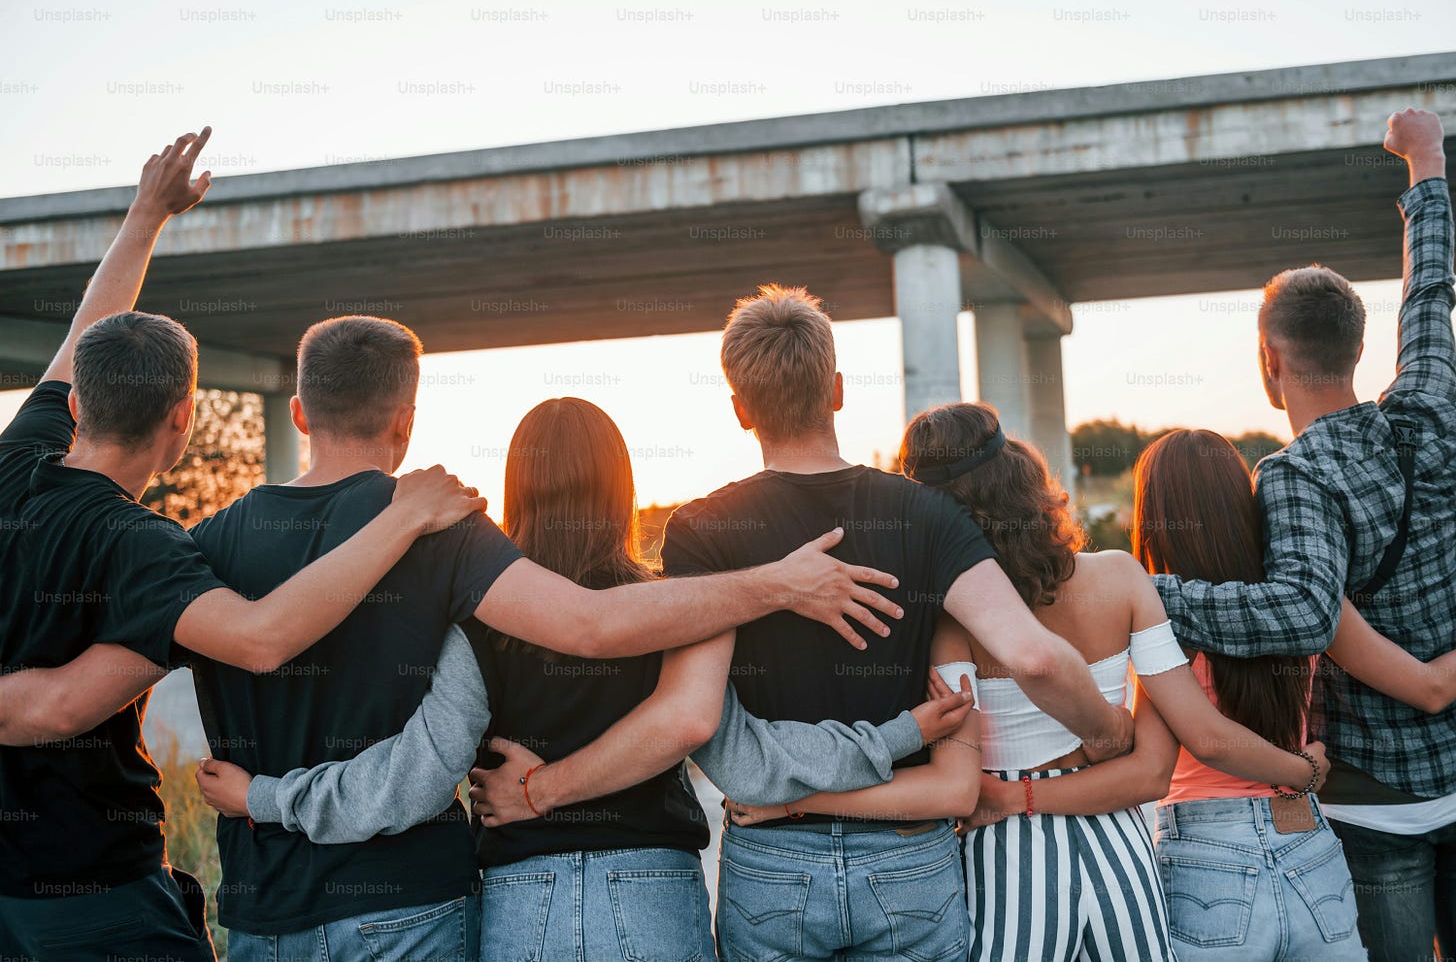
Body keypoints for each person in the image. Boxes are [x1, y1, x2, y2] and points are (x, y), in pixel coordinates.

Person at [9, 304, 902, 961]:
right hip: (418, 906)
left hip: (264, 911)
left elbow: (64, 698)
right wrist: (771, 584)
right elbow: (591, 625)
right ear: (407, 418)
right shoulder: (440, 530)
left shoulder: (201, 545)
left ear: (299, 414)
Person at [461, 285, 1137, 961]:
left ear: (740, 410)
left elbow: (691, 719)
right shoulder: (926, 513)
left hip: (774, 869)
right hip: (908, 858)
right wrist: (1106, 731)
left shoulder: (705, 529)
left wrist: (538, 790)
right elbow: (1035, 657)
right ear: (837, 389)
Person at [193, 396, 978, 961]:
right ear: (622, 486)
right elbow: (751, 760)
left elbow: (418, 773)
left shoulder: (482, 620)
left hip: (519, 895)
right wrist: (901, 732)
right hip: (653, 886)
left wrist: (266, 795)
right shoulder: (673, 611)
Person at [0, 130, 492, 962]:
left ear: (76, 404)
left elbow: (90, 328)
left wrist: (146, 214)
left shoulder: (18, 458)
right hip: (92, 888)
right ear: (184, 420)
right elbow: (262, 637)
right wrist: (402, 518)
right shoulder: (143, 545)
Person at [731, 403, 1338, 961]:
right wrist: (1305, 772)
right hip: (1119, 851)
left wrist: (791, 798)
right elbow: (1158, 771)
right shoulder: (1124, 579)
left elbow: (953, 787)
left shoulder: (947, 623)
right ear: (1024, 477)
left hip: (1004, 860)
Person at [1151, 108, 1456, 960]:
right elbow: (1431, 289)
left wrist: (1149, 594)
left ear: (1268, 363)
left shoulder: (1291, 475)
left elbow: (1299, 611)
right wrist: (1424, 162)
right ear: (1362, 346)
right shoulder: (1431, 401)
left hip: (1373, 799)